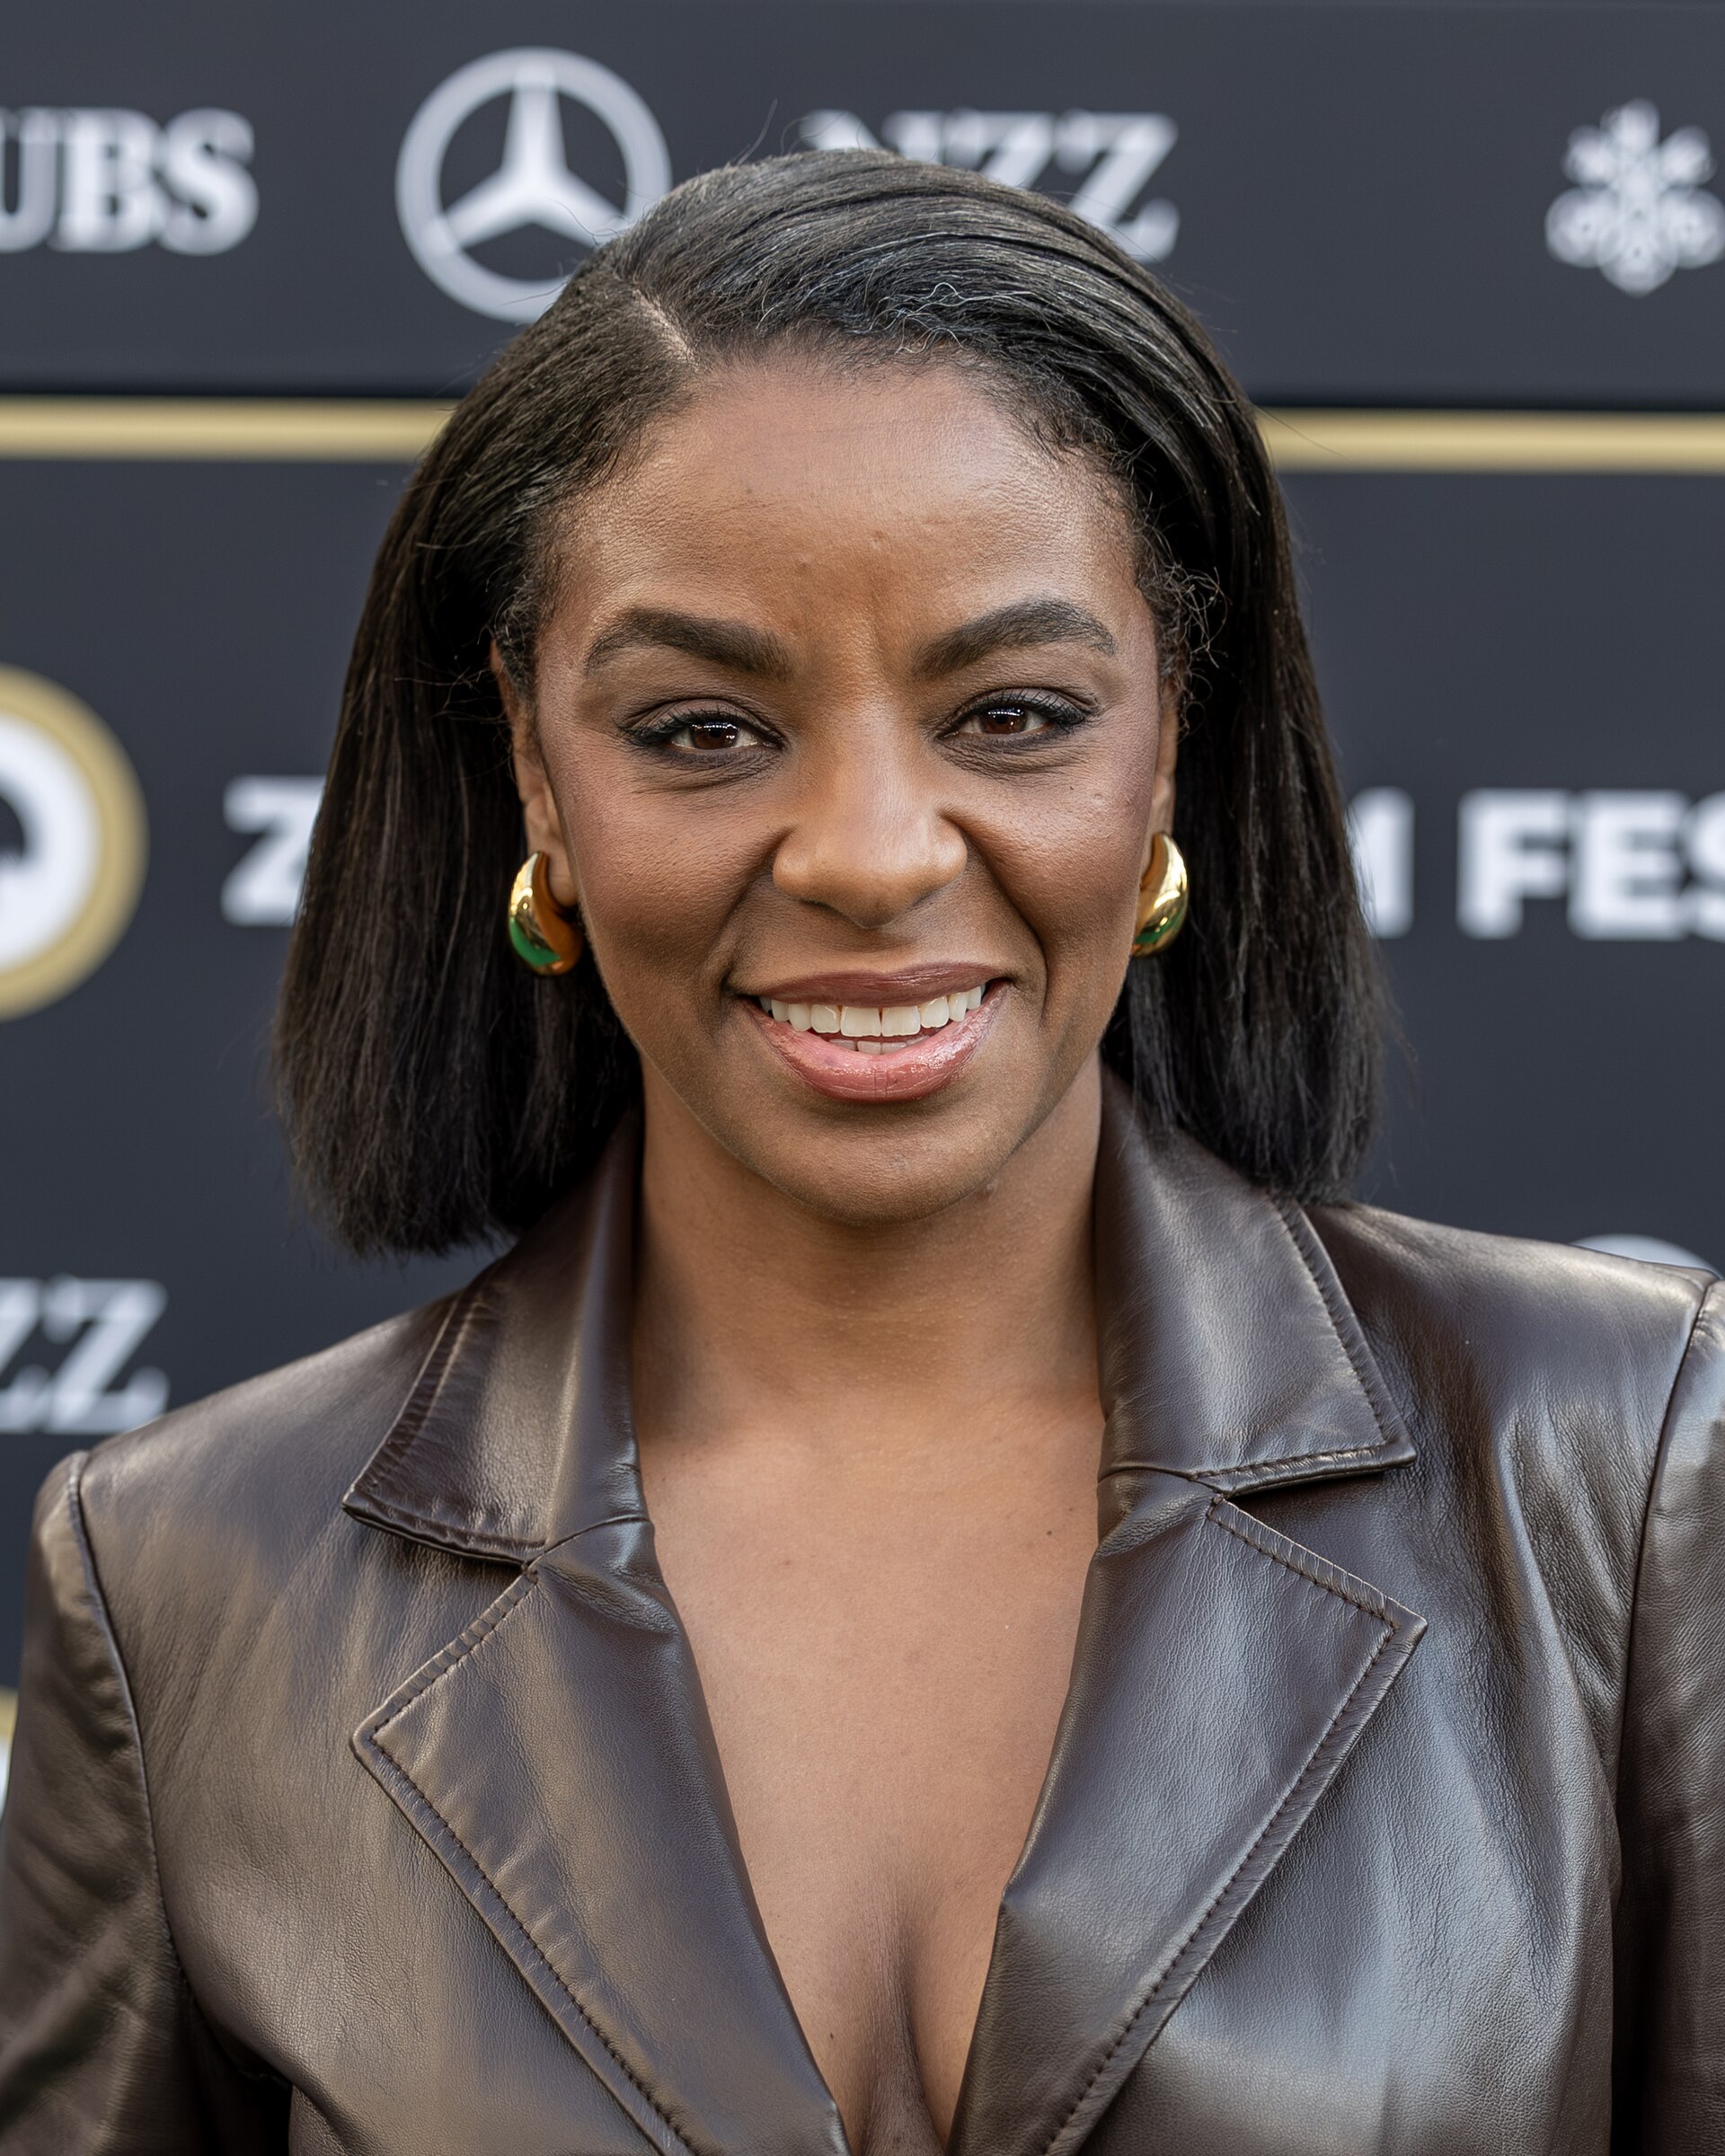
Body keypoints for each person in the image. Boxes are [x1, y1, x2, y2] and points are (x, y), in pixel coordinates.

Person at [0, 151, 1718, 2156]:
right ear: (534, 767)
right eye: (704, 730)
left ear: (1171, 733)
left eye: (1011, 714)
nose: (876, 854)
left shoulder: (1620, 1461)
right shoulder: (192, 1576)